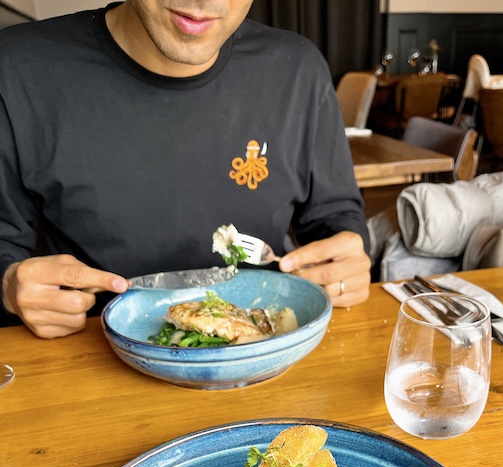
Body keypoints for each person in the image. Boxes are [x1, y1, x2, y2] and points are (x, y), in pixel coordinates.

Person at [0, 1, 371, 338]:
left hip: (267, 349)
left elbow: (336, 218)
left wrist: (346, 264)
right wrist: (8, 286)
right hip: (87, 356)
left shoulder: (297, 70)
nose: (206, 3)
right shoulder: (19, 68)